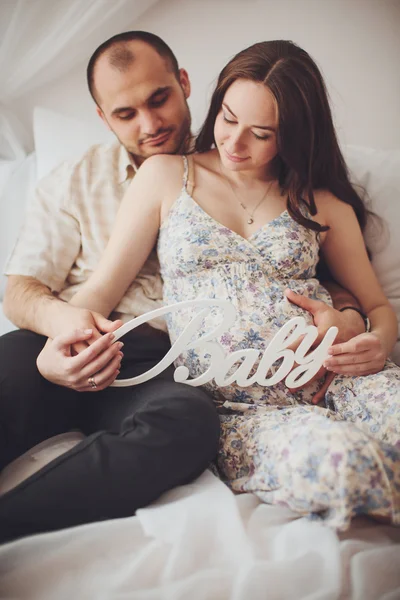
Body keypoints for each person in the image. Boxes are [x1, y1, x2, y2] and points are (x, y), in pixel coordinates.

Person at [0, 32, 370, 543]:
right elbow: (20, 289)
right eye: (125, 113)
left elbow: (306, 268)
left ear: (185, 84)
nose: (150, 124)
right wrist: (60, 330)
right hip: (75, 334)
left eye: (159, 99)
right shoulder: (71, 182)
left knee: (188, 422)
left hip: (163, 362)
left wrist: (350, 313)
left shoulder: (247, 166)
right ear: (103, 116)